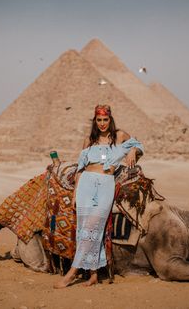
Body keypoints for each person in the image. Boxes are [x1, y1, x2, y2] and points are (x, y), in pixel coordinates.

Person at [54, 105, 143, 288]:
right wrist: (75, 194)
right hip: (86, 184)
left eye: (105, 120)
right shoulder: (89, 140)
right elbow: (80, 169)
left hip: (105, 185)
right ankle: (93, 275)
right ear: (95, 121)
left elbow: (139, 145)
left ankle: (73, 272)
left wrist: (133, 149)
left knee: (94, 226)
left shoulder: (119, 136)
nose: (102, 123)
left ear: (110, 120)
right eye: (99, 120)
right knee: (84, 229)